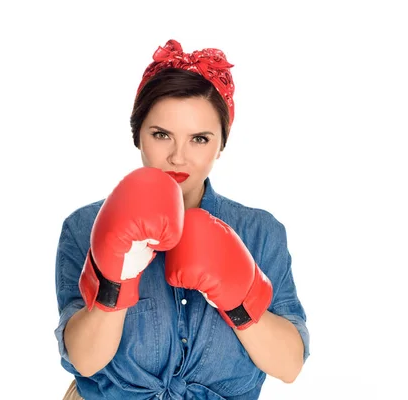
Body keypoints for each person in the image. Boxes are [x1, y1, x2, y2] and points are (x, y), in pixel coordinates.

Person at [54, 39, 310, 400]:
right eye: (161, 135)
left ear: (221, 144)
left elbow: (290, 366)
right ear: (137, 136)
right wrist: (116, 278)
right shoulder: (84, 226)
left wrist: (238, 299)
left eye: (199, 139)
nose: (178, 157)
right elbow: (85, 361)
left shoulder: (260, 231)